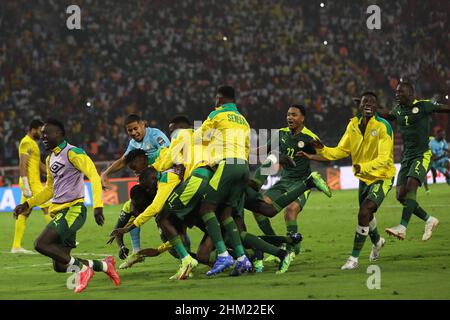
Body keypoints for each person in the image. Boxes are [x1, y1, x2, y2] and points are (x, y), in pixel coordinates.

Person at [13, 119, 120, 293]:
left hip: (73, 211)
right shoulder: (49, 159)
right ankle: (104, 265)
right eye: (42, 134)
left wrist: (98, 206)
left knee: (40, 243)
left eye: (47, 134)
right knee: (60, 265)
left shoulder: (73, 153)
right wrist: (27, 203)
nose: (43, 137)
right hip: (60, 212)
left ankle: (84, 270)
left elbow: (93, 175)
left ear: (59, 134)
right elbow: (49, 189)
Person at [301, 92, 396, 269]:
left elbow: (385, 158)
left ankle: (353, 259)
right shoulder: (352, 125)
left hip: (382, 177)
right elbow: (340, 151)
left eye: (372, 102)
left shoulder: (384, 127)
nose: (368, 104)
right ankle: (377, 242)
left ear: (376, 108)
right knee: (368, 214)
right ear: (359, 105)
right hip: (363, 179)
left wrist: (363, 166)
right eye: (365, 101)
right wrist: (321, 150)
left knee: (364, 212)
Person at [251, 104, 331, 258]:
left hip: (302, 182)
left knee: (290, 211)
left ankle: (292, 248)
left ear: (302, 118)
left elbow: (326, 156)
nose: (290, 117)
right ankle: (278, 244)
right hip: (284, 181)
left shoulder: (310, 137)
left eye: (294, 115)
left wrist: (311, 156)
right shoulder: (280, 134)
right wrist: (244, 150)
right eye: (288, 114)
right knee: (257, 208)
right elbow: (265, 149)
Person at [194, 85, 254, 276]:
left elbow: (199, 137)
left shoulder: (216, 114)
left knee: (206, 208)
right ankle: (242, 259)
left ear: (219, 99)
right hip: (244, 168)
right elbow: (247, 147)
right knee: (226, 213)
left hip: (227, 166)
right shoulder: (244, 120)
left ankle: (222, 255)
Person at [384, 82, 450, 241]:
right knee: (400, 195)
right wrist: (371, 110)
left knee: (411, 185)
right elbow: (387, 114)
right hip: (406, 157)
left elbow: (444, 108)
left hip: (422, 155)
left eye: (401, 92)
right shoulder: (398, 110)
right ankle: (429, 219)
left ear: (411, 93)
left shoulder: (423, 106)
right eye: (396, 92)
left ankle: (402, 227)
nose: (397, 94)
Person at [101, 114, 170, 255]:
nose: (133, 133)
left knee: (163, 219)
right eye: (129, 131)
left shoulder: (155, 135)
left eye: (135, 128)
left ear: (143, 124)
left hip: (166, 181)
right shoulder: (133, 144)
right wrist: (105, 173)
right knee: (134, 209)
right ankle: (136, 251)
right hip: (150, 186)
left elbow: (169, 153)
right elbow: (123, 160)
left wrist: (150, 166)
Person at [11, 119, 53, 254]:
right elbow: (22, 164)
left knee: (24, 212)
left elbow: (38, 164)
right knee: (48, 208)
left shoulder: (33, 144)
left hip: (33, 183)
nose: (42, 135)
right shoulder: (25, 143)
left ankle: (16, 246)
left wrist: (51, 173)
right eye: (40, 131)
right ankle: (59, 239)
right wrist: (25, 183)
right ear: (33, 129)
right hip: (31, 183)